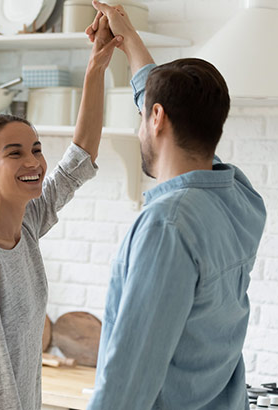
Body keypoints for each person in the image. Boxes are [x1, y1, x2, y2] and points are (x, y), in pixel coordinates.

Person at [0, 17, 122, 410]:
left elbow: (80, 158)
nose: (33, 162)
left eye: (36, 148)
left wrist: (97, 66)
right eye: (15, 153)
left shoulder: (27, 224)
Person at [85, 2, 267, 409]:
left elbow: (128, 383)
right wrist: (128, 38)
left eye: (144, 116)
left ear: (157, 118)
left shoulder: (167, 226)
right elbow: (157, 99)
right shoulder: (240, 197)